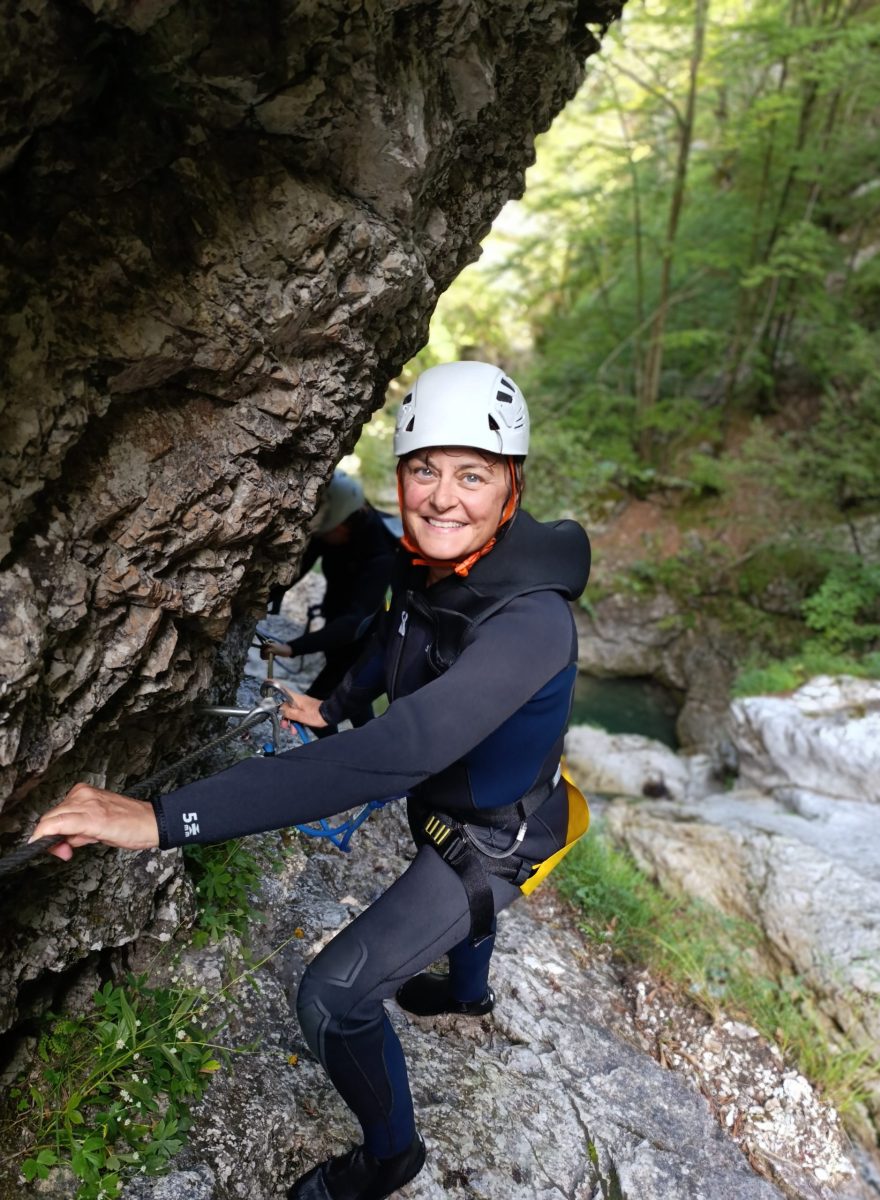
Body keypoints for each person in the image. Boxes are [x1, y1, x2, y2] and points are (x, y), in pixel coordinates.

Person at [30, 360, 592, 1200]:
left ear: (512, 483)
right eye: (423, 469)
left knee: (333, 997)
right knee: (455, 910)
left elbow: (405, 746)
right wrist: (333, 708)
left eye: (471, 474)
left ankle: (390, 1159)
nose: (442, 497)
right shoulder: (423, 564)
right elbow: (390, 644)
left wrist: (161, 818)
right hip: (453, 803)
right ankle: (468, 995)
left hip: (496, 837)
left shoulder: (533, 621)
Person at [262, 471, 398, 727]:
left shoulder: (381, 555)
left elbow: (354, 623)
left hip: (362, 642)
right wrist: (261, 600)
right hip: (336, 632)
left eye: (324, 532)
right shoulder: (335, 530)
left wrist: (292, 648)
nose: (320, 537)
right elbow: (295, 572)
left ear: (342, 525)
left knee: (313, 711)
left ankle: (347, 750)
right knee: (357, 710)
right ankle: (365, 748)